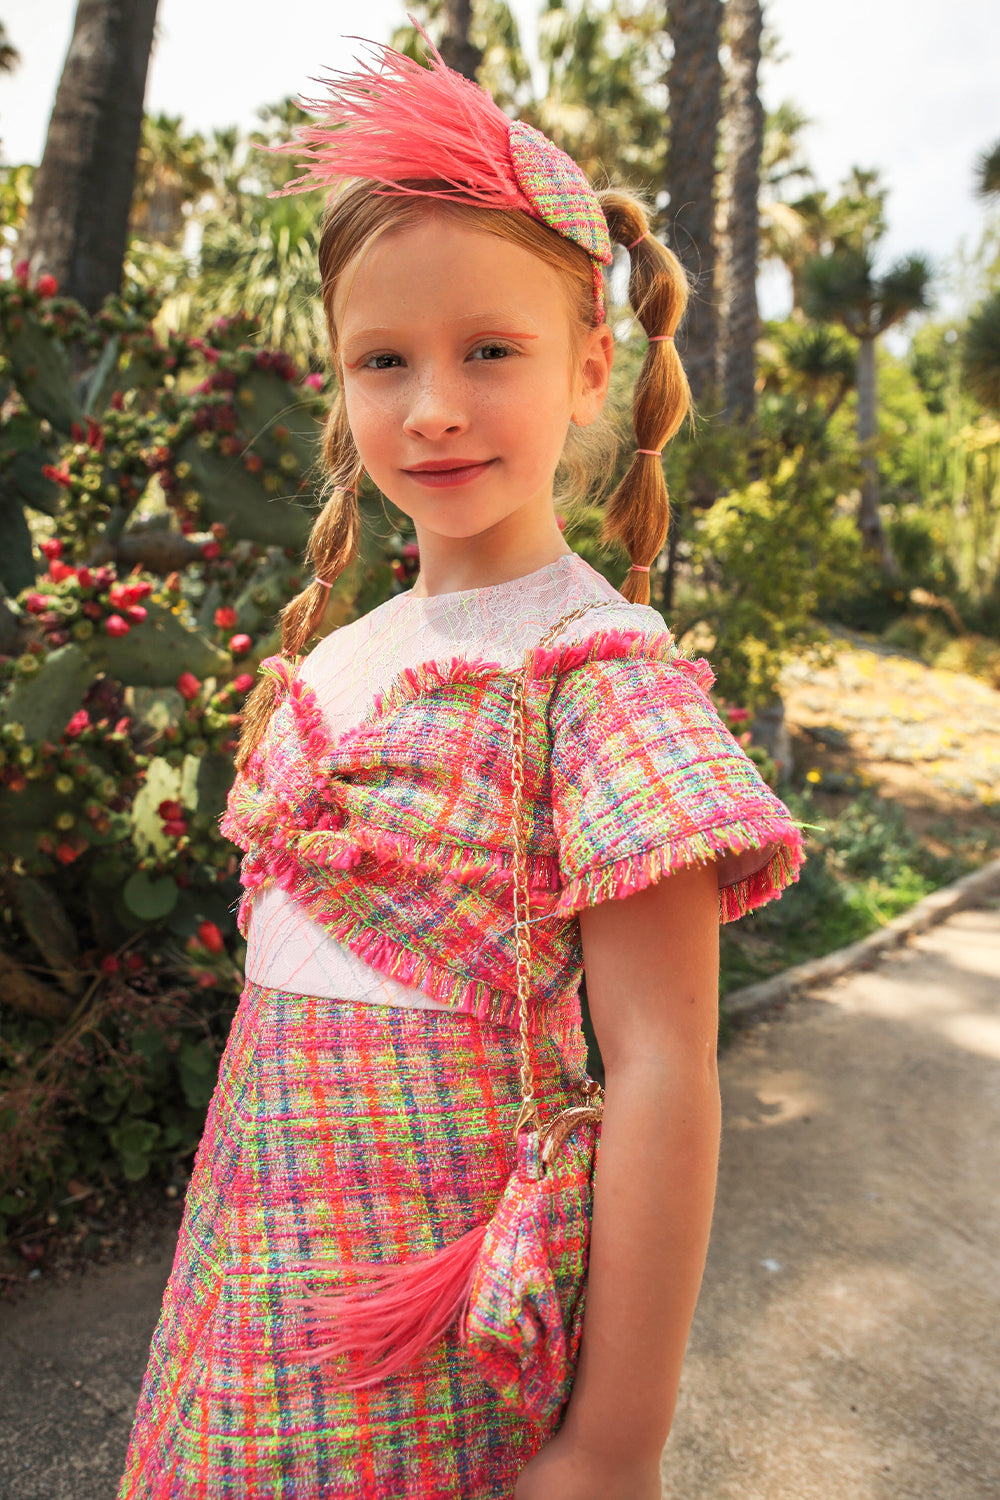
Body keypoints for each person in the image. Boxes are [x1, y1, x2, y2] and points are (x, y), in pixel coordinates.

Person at [117, 33, 805, 1500]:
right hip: (254, 1273)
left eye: (490, 350)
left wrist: (614, 1446)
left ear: (590, 365)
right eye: (386, 361)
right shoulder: (351, 654)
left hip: (429, 1313)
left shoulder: (591, 675)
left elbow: (669, 1070)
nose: (433, 405)